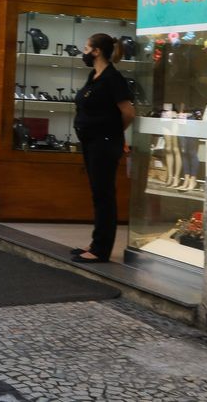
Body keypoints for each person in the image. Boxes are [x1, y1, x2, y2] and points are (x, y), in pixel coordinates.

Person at [71, 33, 135, 264]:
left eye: (86, 48)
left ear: (96, 51)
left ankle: (101, 249)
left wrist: (114, 133)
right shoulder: (94, 76)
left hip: (104, 143)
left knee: (104, 195)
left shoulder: (113, 78)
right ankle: (96, 242)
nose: (84, 53)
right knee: (98, 194)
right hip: (91, 142)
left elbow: (128, 112)